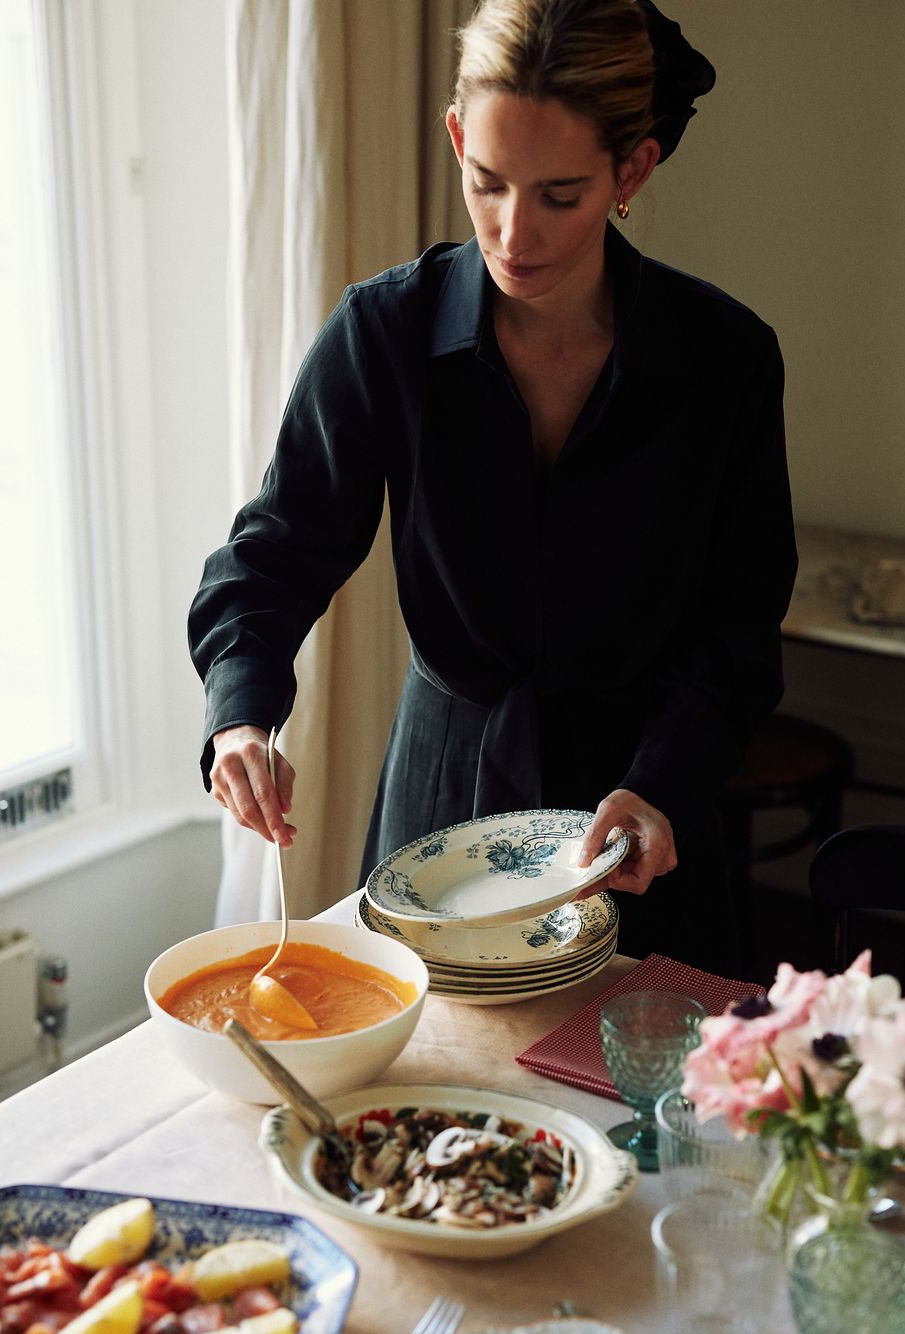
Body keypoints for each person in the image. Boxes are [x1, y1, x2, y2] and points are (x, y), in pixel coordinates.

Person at [189, 0, 797, 970]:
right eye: (487, 184)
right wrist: (239, 717)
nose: (514, 233)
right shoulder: (382, 332)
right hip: (442, 800)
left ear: (632, 170)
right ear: (457, 139)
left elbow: (738, 628)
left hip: (638, 812)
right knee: (430, 1059)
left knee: (634, 1062)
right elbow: (272, 557)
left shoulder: (724, 360)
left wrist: (664, 783)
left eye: (559, 195)